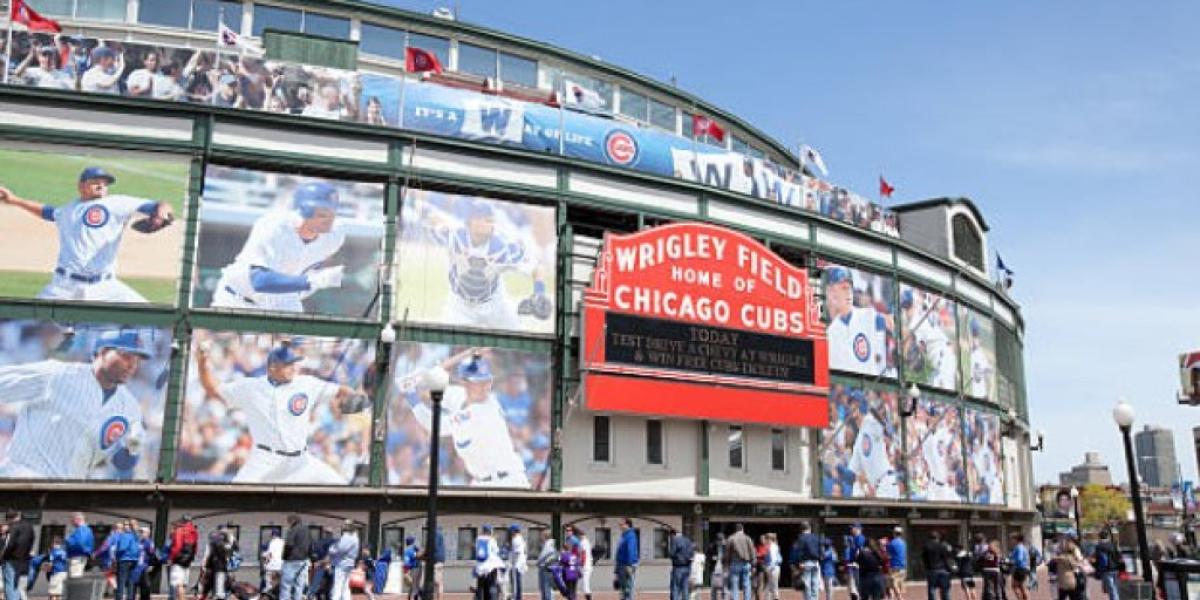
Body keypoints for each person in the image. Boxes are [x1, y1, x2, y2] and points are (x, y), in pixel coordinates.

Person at [193, 339, 371, 484]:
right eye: (288, 364)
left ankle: (353, 529)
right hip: (264, 460)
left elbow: (340, 390)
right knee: (234, 497)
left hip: (300, 460)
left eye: (294, 363)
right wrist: (202, 365)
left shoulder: (307, 383)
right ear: (272, 367)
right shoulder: (251, 387)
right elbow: (214, 389)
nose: (293, 367)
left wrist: (353, 395)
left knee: (341, 489)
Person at [0, 166, 175, 303]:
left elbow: (159, 205)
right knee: (30, 321)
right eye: (95, 181)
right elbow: (47, 212)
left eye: (105, 183)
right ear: (81, 186)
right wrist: (14, 200)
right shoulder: (68, 210)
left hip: (105, 287)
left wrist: (161, 214)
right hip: (63, 287)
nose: (101, 186)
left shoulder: (116, 203)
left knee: (151, 320)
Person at [413, 196, 550, 330]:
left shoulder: (502, 247)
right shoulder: (455, 237)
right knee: (445, 340)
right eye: (481, 218)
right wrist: (419, 207)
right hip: (460, 306)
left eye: (489, 220)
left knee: (517, 337)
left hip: (494, 305)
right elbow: (434, 220)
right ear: (470, 222)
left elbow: (537, 268)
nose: (487, 223)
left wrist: (539, 293)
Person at [209, 181, 347, 312]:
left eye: (333, 213)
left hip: (283, 299)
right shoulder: (274, 226)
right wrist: (314, 280)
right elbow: (259, 281)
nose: (330, 220)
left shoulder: (335, 234)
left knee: (296, 336)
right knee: (217, 335)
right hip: (238, 297)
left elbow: (315, 259)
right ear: (304, 210)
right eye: (323, 214)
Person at [400, 351, 530, 487]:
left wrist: (411, 397)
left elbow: (433, 424)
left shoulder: (483, 410)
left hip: (508, 482)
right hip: (481, 482)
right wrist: (421, 378)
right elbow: (432, 384)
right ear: (465, 383)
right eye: (478, 382)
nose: (485, 386)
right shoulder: (459, 395)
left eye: (487, 381)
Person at [824, 266, 894, 376]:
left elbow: (891, 322)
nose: (848, 292)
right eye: (843, 288)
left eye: (849, 287)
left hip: (872, 386)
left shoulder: (868, 315)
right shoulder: (829, 334)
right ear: (830, 292)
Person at [3, 510, 34, 600]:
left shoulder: (13, 527)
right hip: (24, 560)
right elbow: (31, 541)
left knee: (10, 584)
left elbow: (9, 544)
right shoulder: (29, 527)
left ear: (9, 519)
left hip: (11, 559)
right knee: (17, 585)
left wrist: (4, 556)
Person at [168, 515, 199, 600]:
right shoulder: (194, 531)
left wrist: (171, 558)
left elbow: (177, 547)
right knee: (183, 584)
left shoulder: (180, 530)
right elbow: (195, 547)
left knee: (179, 584)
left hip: (179, 560)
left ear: (183, 521)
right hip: (188, 560)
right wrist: (192, 557)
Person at [327, 521, 360, 600]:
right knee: (345, 586)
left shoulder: (347, 537)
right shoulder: (356, 538)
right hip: (349, 563)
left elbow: (340, 549)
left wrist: (331, 549)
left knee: (337, 586)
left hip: (342, 563)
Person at [725, 524, 755, 600]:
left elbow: (727, 553)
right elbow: (752, 551)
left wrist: (727, 564)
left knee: (735, 584)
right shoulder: (747, 538)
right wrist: (753, 564)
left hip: (735, 563)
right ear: (742, 529)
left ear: (735, 530)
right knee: (747, 584)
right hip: (746, 563)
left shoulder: (731, 538)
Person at [473, 525, 503, 600]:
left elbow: (477, 552)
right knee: (492, 586)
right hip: (491, 567)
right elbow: (496, 552)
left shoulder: (478, 539)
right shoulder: (492, 540)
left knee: (480, 587)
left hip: (480, 568)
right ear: (490, 531)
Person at [793, 524, 821, 600]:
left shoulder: (801, 538)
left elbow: (799, 551)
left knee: (807, 584)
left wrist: (799, 562)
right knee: (815, 583)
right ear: (810, 528)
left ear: (802, 529)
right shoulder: (816, 537)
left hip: (806, 563)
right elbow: (821, 548)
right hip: (815, 562)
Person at [921, 531, 951, 600]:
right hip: (943, 570)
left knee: (932, 589)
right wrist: (949, 569)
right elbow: (946, 559)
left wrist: (926, 568)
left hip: (932, 570)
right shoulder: (942, 546)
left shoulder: (926, 547)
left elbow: (924, 559)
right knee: (945, 590)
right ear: (938, 538)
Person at [1091, 530, 1121, 600]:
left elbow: (1097, 559)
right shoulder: (1113, 544)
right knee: (1115, 587)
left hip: (1106, 569)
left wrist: (1095, 566)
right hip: (1115, 568)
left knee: (1111, 589)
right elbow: (1119, 556)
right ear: (1108, 536)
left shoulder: (1099, 546)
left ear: (1100, 537)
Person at [615, 519, 640, 600]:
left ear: (627, 525)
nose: (620, 526)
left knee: (628, 589)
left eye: (622, 524)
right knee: (623, 589)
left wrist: (630, 564)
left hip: (627, 565)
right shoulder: (624, 535)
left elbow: (631, 550)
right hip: (621, 565)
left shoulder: (630, 535)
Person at [66, 512, 95, 578]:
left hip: (77, 557)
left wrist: (68, 540)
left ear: (77, 520)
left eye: (72, 520)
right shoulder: (86, 529)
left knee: (74, 578)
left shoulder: (82, 529)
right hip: (80, 557)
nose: (71, 523)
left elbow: (80, 544)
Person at [669, 529, 695, 600]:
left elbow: (671, 553)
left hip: (678, 567)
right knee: (685, 588)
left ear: (673, 534)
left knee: (676, 588)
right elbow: (692, 554)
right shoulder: (688, 541)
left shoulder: (675, 540)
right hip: (687, 568)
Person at [885, 528, 906, 600]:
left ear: (894, 533)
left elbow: (887, 554)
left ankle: (900, 597)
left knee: (893, 582)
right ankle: (892, 597)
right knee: (899, 582)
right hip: (903, 565)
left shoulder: (891, 543)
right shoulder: (903, 543)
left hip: (894, 565)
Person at [1008, 534, 1029, 600]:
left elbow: (1019, 558)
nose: (1011, 541)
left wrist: (1011, 561)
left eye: (1012, 539)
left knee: (1015, 586)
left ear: (1016, 539)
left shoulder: (1018, 547)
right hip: (1023, 568)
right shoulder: (1023, 547)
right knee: (1022, 587)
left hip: (1019, 569)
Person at [509, 525, 528, 600]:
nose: (510, 533)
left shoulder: (516, 539)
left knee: (516, 582)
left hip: (517, 563)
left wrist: (511, 557)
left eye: (511, 531)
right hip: (519, 563)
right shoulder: (520, 538)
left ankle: (517, 597)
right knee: (517, 581)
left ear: (514, 531)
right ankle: (518, 596)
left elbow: (517, 552)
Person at [537, 531, 556, 600]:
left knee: (546, 587)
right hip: (545, 568)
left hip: (546, 568)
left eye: (542, 535)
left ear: (545, 536)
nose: (540, 537)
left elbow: (543, 556)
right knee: (544, 588)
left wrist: (538, 561)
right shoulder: (546, 544)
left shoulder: (548, 544)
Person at [577, 529, 593, 600]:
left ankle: (588, 598)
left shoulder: (583, 542)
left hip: (585, 565)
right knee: (586, 583)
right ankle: (588, 597)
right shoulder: (587, 542)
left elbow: (583, 554)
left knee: (585, 584)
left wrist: (581, 564)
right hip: (588, 564)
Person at [763, 534, 781, 600]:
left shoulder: (771, 546)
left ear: (769, 539)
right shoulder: (775, 546)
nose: (765, 540)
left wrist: (770, 567)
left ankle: (775, 597)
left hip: (772, 567)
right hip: (774, 567)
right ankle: (773, 597)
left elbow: (773, 558)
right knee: (772, 583)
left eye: (766, 539)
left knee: (772, 584)